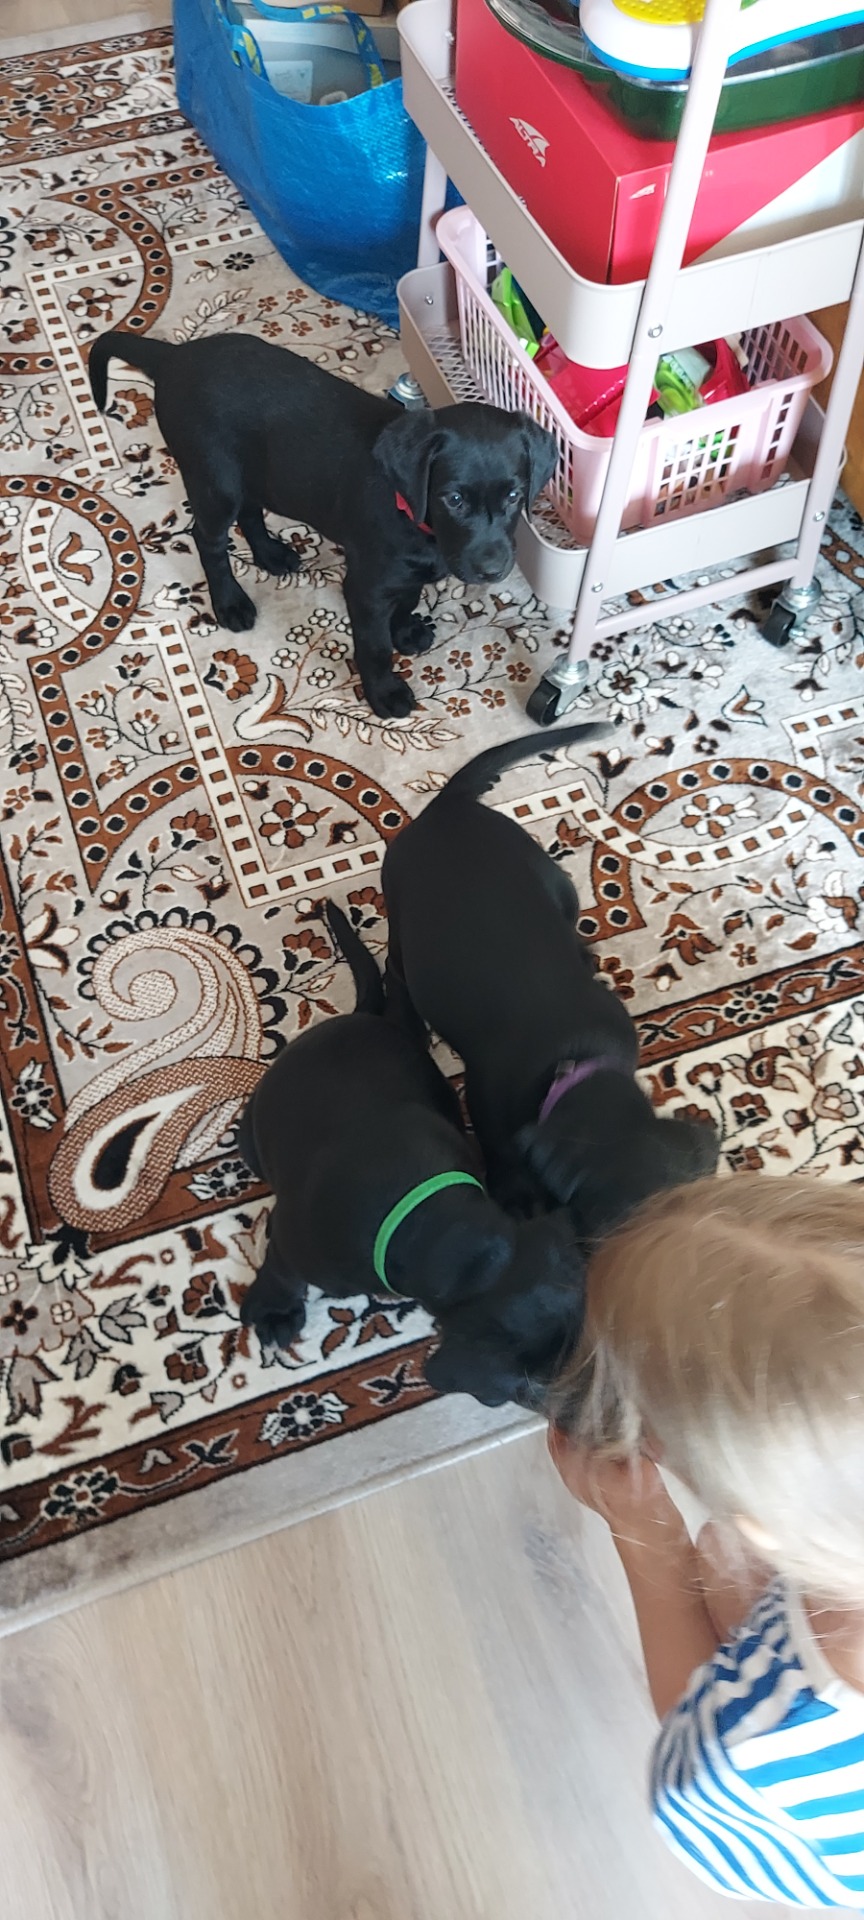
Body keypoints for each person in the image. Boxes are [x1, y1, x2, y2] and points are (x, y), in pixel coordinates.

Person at [547, 1173, 864, 1909]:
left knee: (724, 1577)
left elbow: (687, 1712)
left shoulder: (760, 1743)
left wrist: (646, 1534)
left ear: (765, 1525)